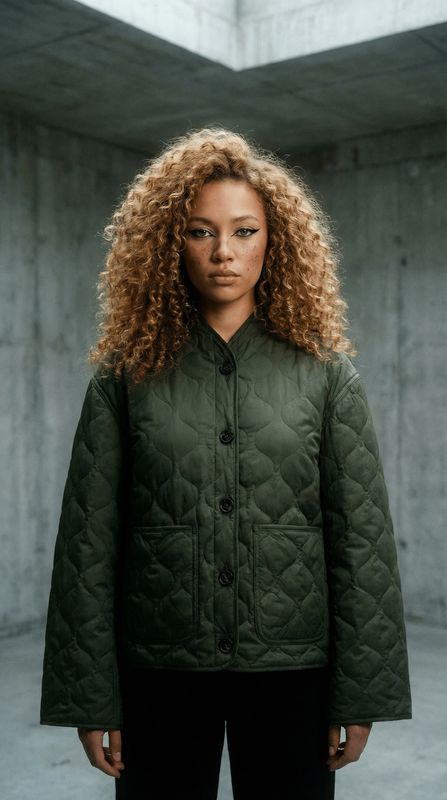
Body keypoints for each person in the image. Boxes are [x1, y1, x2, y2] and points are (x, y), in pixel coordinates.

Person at [39, 126, 412, 800]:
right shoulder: (126, 375)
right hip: (158, 667)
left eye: (243, 231)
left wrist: (361, 690)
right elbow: (87, 543)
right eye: (199, 232)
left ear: (276, 241)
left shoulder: (326, 375)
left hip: (293, 668)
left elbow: (361, 543)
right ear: (167, 244)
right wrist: (90, 696)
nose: (222, 253)